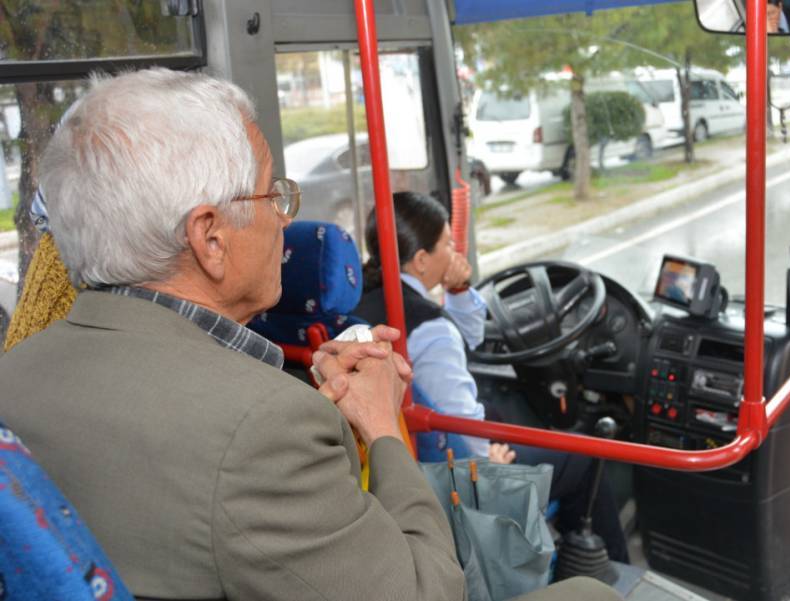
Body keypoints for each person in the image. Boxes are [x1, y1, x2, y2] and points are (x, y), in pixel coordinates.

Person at [0, 68, 618, 601]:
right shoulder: (264, 427)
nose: (284, 219)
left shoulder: (16, 374)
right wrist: (380, 428)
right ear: (211, 238)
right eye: (274, 195)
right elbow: (428, 591)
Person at [356, 191, 631, 563]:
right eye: (448, 243)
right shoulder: (431, 330)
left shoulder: (361, 301)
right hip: (451, 467)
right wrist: (489, 466)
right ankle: (603, 566)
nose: (456, 252)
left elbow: (468, 339)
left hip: (393, 458)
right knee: (582, 456)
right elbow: (459, 420)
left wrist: (458, 290)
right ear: (421, 260)